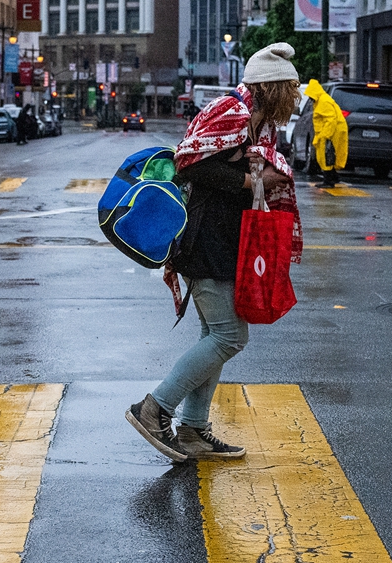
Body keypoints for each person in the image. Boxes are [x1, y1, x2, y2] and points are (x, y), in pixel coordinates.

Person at [124, 42, 303, 463]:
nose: (294, 100)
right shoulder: (234, 112)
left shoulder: (258, 121)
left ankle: (193, 431)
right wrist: (252, 183)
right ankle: (153, 410)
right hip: (205, 239)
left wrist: (261, 180)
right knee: (229, 336)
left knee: (215, 335)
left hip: (226, 238)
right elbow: (192, 164)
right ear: (272, 88)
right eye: (289, 90)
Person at [304, 79, 348, 188]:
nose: (309, 98)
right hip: (331, 130)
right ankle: (333, 176)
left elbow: (330, 119)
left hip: (330, 131)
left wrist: (325, 135)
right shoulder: (321, 100)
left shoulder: (323, 101)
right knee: (329, 154)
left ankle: (329, 180)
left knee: (325, 155)